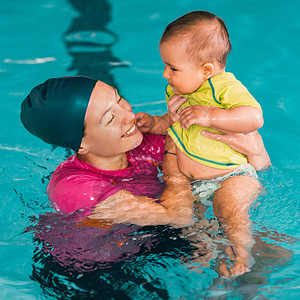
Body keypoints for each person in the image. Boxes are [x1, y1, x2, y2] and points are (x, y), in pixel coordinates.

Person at [21, 76, 270, 276]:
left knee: (269, 252)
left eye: (119, 100)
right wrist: (174, 151)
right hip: (92, 270)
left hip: (152, 236)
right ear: (81, 144)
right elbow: (178, 215)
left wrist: (257, 153)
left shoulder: (146, 141)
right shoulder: (73, 186)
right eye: (110, 118)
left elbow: (238, 171)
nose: (128, 116)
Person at [135, 11, 268, 276]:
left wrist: (210, 115)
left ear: (206, 70)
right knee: (191, 224)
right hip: (197, 185)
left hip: (231, 176)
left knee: (228, 211)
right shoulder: (181, 88)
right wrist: (156, 123)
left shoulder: (223, 87)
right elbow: (176, 122)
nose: (165, 74)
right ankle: (206, 253)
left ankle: (242, 254)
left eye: (172, 68)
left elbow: (254, 117)